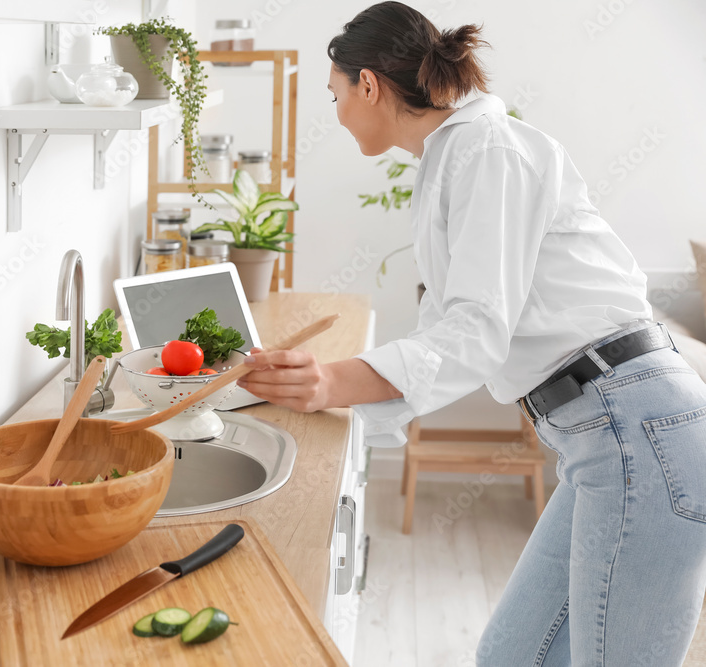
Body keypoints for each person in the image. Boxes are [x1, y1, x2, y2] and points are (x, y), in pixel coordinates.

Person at [236, 2, 706, 664]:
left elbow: (477, 331)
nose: (336, 113)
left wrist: (330, 382)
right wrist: (328, 391)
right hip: (608, 439)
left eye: (335, 94)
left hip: (637, 430)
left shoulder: (485, 150)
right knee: (511, 655)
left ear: (368, 84)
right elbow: (448, 332)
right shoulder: (453, 155)